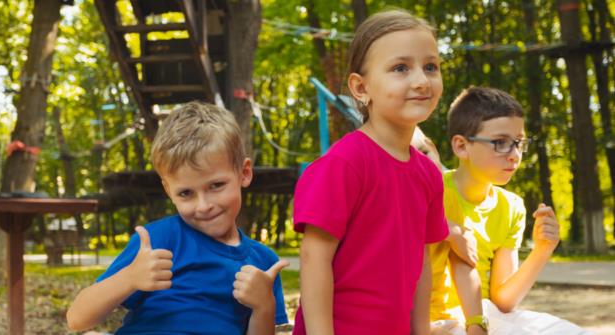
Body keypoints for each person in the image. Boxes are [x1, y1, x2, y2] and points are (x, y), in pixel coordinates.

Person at [67, 101, 289, 334]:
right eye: (186, 193)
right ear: (168, 190)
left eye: (216, 185)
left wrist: (264, 306)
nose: (203, 206)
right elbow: (77, 319)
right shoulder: (157, 241)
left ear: (244, 173)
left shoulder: (264, 262)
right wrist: (130, 278)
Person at [292, 9, 449, 335]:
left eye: (430, 66)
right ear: (361, 88)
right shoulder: (345, 164)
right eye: (400, 68)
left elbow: (420, 264)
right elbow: (314, 258)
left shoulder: (429, 174)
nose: (421, 80)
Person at [426, 86, 591, 335]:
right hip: (434, 320)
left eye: (519, 143)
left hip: (485, 316)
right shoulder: (431, 190)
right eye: (500, 143)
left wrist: (542, 250)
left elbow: (503, 300)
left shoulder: (511, 206)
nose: (514, 155)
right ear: (461, 146)